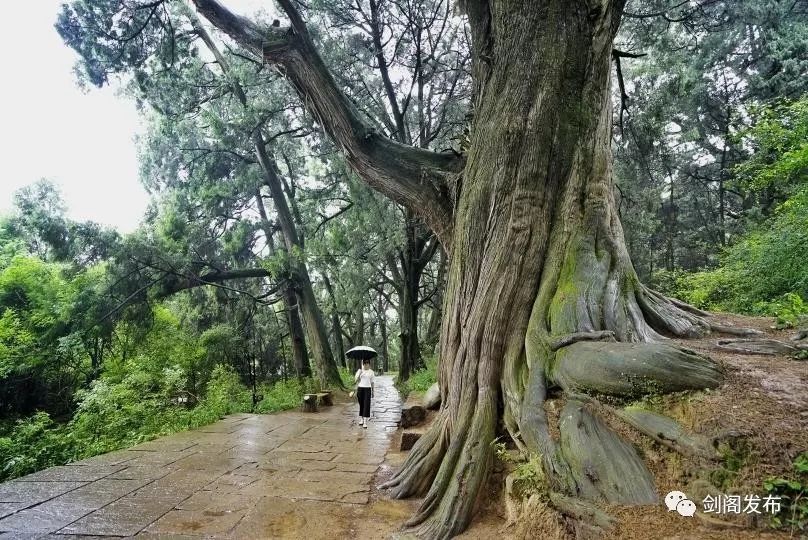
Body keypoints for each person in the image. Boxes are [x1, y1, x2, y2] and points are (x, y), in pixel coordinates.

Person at [354, 359, 375, 428]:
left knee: (366, 404)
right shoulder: (360, 371)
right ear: (363, 364)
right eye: (365, 363)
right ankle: (361, 419)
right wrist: (359, 374)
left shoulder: (371, 372)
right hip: (360, 389)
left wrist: (373, 391)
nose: (366, 364)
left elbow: (372, 382)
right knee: (361, 404)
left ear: (369, 364)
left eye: (367, 363)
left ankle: (365, 422)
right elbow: (356, 381)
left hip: (367, 389)